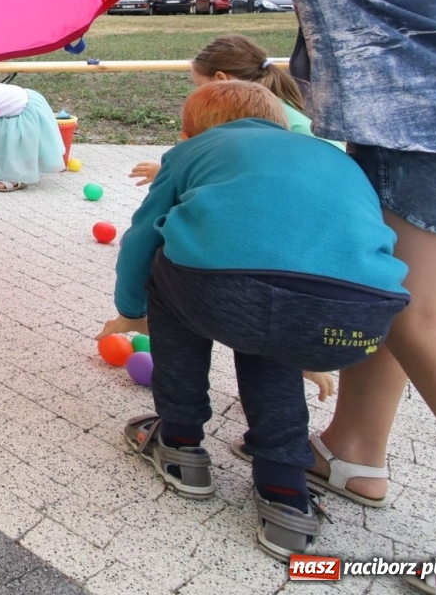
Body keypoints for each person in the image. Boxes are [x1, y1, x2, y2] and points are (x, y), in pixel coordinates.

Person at [190, 0, 436, 584]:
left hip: (423, 129)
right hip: (413, 126)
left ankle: (356, 449)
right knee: (384, 287)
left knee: (422, 316)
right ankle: (354, 450)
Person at [98, 81, 408, 560]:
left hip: (228, 295)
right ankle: (285, 495)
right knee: (271, 333)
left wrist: (131, 310)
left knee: (172, 268)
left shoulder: (194, 150)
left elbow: (142, 236)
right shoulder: (331, 156)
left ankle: (180, 444)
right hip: (361, 318)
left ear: (189, 132)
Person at [129, 33, 343, 186]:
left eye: (200, 86)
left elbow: (228, 173)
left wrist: (171, 176)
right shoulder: (272, 106)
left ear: (222, 80)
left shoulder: (254, 117)